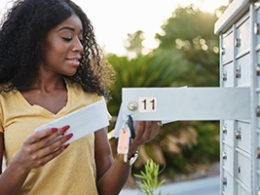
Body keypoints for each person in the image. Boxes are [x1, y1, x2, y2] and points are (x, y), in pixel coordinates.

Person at [0, 0, 160, 194]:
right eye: (67, 37)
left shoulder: (90, 97)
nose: (79, 47)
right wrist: (21, 163)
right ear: (36, 40)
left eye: (81, 39)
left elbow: (106, 191)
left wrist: (127, 151)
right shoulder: (3, 100)